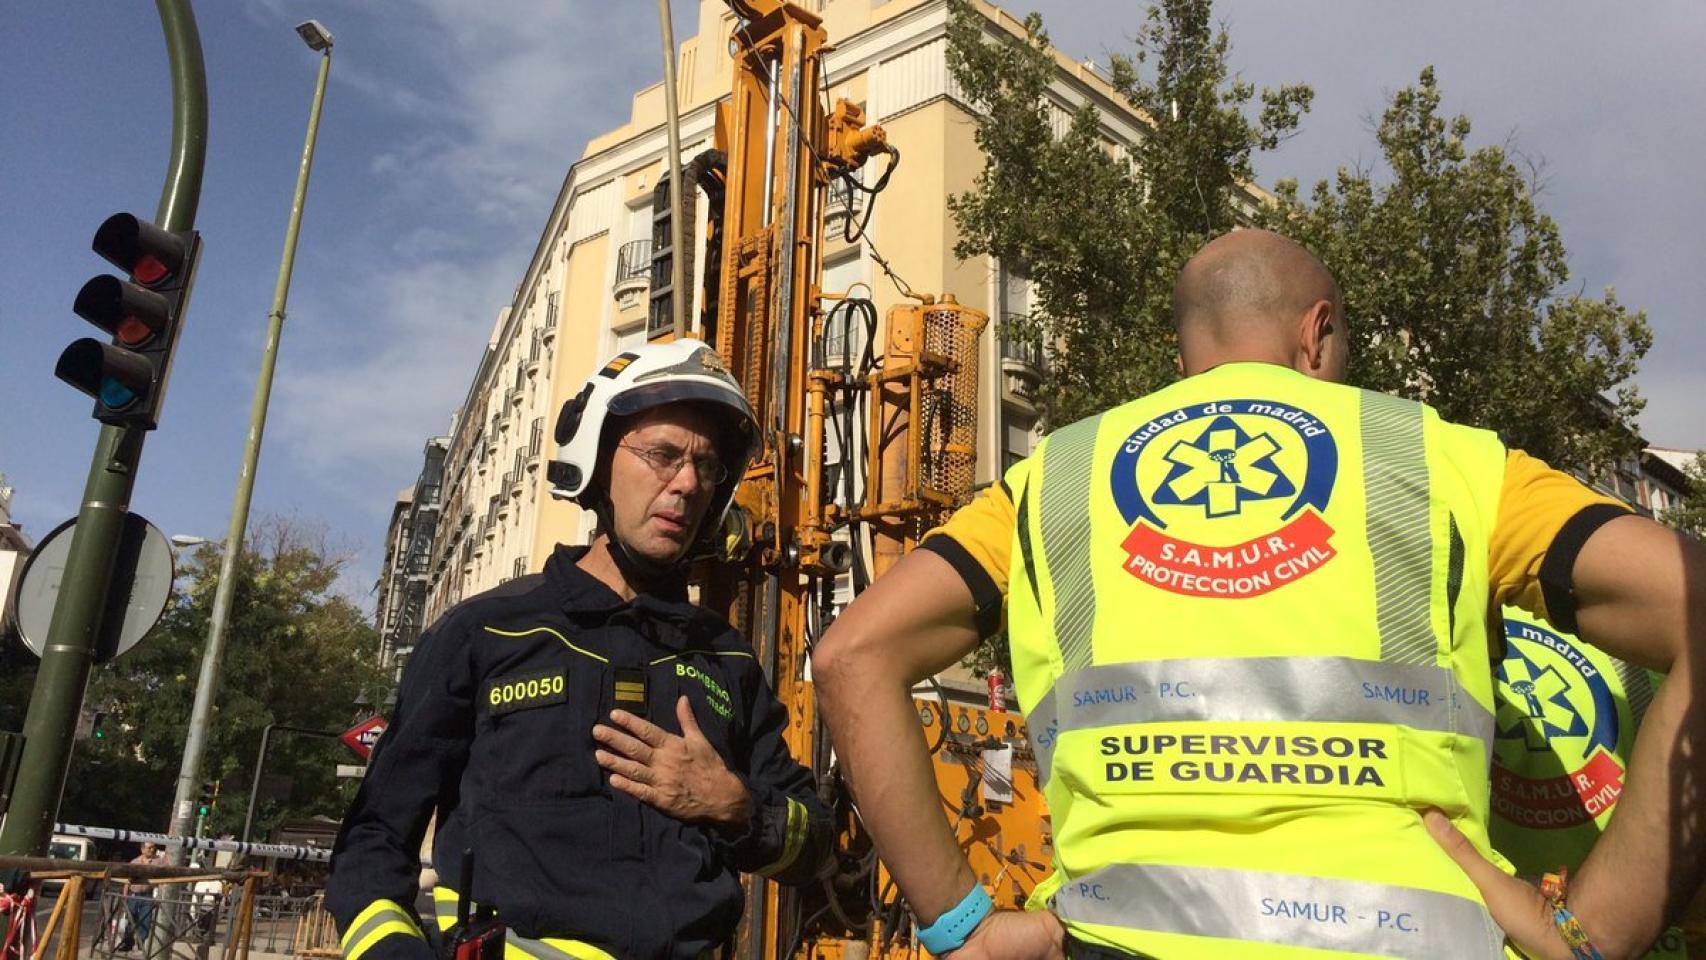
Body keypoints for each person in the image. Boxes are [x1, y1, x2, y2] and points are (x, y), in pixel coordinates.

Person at [813, 229, 1705, 960]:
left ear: (1183, 358)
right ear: (1317, 333)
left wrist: (961, 927)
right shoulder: (1442, 458)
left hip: (1119, 941)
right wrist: (1595, 932)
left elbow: (854, 654)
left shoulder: (1056, 477)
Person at [328, 340, 834, 960]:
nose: (687, 483)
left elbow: (816, 845)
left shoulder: (727, 662)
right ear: (595, 459)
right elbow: (374, 839)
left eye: (707, 466)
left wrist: (735, 806)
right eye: (663, 455)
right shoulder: (487, 633)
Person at [117, 842, 163, 952]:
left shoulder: (158, 862)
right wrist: (125, 897)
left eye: (153, 848)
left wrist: (158, 895)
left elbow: (162, 879)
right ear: (142, 849)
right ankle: (128, 943)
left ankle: (141, 943)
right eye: (149, 848)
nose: (152, 850)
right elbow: (127, 881)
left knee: (145, 920)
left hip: (148, 896)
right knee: (129, 919)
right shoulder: (135, 862)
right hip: (134, 895)